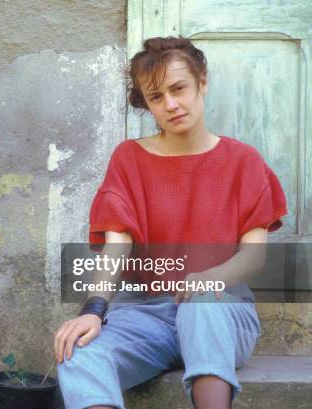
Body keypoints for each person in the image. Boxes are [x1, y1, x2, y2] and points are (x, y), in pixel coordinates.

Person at [54, 36, 288, 409]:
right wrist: (94, 309)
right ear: (147, 104)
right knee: (79, 352)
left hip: (221, 311)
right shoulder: (129, 159)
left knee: (200, 303)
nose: (171, 104)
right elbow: (117, 244)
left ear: (202, 82)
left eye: (179, 88)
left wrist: (208, 279)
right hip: (145, 316)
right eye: (156, 97)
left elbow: (254, 257)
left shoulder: (244, 160)